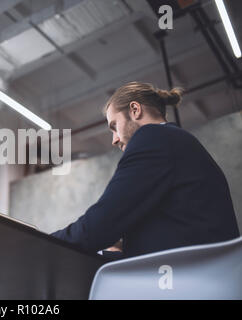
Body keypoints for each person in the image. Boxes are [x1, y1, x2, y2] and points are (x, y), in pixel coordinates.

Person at [51, 82, 240, 260]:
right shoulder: (175, 140)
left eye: (114, 126)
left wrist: (44, 242)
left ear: (135, 110)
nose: (114, 140)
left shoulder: (153, 137)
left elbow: (102, 223)